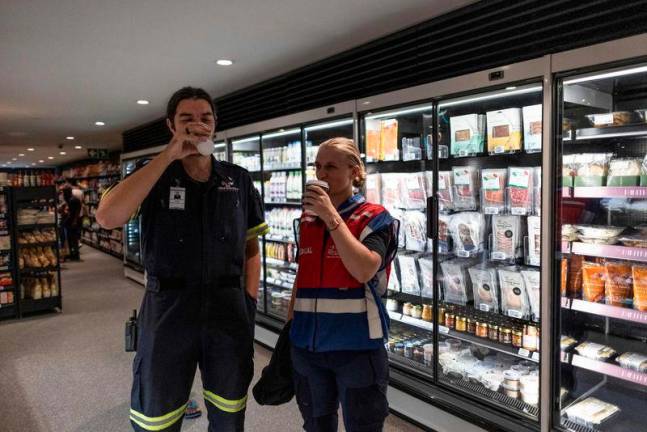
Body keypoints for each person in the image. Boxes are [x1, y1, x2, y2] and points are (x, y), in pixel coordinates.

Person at [96, 86, 268, 432]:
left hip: (227, 311)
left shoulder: (237, 179)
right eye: (186, 119)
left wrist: (248, 302)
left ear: (215, 124)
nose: (197, 125)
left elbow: (252, 249)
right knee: (156, 415)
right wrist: (168, 156)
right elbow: (108, 217)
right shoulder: (153, 174)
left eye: (205, 118)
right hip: (168, 310)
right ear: (171, 125)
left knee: (230, 411)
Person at [287, 138, 399, 432]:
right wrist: (291, 326)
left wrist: (331, 216)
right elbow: (303, 275)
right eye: (318, 167)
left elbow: (364, 269)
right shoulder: (307, 220)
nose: (321, 174)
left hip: (357, 348)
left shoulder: (375, 217)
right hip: (307, 348)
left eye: (331, 167)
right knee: (315, 425)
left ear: (354, 172)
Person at [61, 185, 82, 261]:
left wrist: (74, 221)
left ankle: (76, 255)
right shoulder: (72, 199)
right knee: (71, 238)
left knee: (73, 239)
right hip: (72, 221)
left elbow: (75, 212)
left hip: (73, 222)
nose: (63, 194)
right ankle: (73, 254)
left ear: (67, 192)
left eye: (64, 192)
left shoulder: (72, 200)